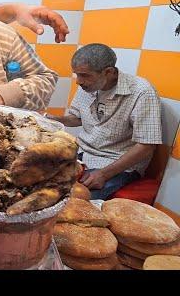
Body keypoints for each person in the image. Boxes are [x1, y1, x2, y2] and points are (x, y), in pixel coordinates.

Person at [48, 43, 162, 199]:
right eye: (77, 75)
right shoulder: (88, 86)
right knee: (41, 181)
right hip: (83, 153)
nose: (78, 81)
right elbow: (77, 118)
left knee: (73, 199)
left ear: (108, 72)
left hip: (115, 163)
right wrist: (55, 119)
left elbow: (147, 145)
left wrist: (104, 174)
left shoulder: (142, 92)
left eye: (84, 75)